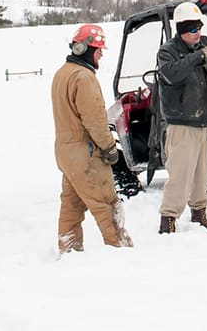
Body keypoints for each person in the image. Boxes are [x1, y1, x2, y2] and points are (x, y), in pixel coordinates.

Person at [53, 24, 133, 252]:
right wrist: (109, 147)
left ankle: (68, 250)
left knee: (71, 205)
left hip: (67, 154)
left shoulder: (63, 73)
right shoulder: (84, 78)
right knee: (107, 204)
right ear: (84, 49)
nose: (101, 54)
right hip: (86, 154)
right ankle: (120, 249)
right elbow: (95, 120)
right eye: (98, 50)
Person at [153, 2, 207, 234]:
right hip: (181, 123)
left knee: (201, 174)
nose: (198, 34)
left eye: (199, 29)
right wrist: (201, 54)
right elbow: (171, 74)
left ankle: (199, 214)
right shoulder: (167, 52)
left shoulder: (202, 46)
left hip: (203, 121)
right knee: (180, 175)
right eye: (193, 30)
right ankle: (168, 220)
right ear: (182, 30)